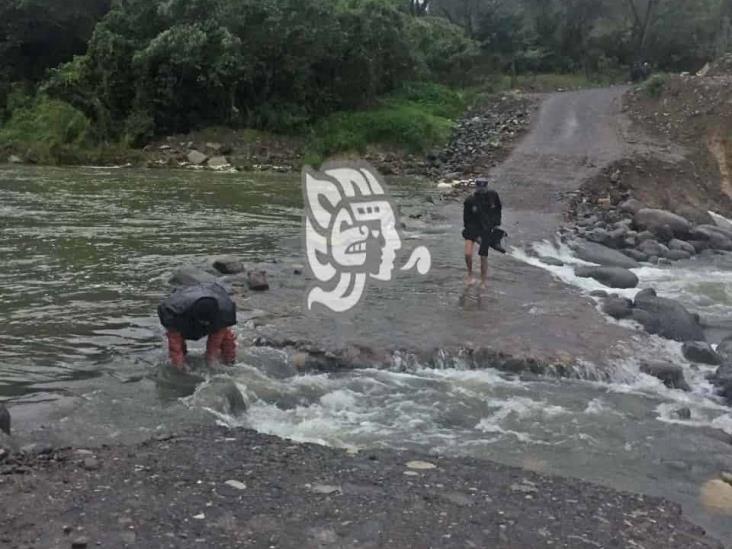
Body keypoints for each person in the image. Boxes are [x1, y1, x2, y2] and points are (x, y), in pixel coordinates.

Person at [158, 282, 237, 371]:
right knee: (177, 347)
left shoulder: (224, 311)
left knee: (225, 340)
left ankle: (230, 362)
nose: (205, 325)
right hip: (184, 314)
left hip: (215, 310)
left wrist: (212, 359)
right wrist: (179, 368)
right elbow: (175, 345)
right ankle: (180, 368)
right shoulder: (172, 312)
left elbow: (216, 339)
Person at [462, 178, 504, 287]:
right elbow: (466, 219)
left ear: (486, 187)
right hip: (472, 228)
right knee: (468, 253)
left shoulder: (493, 196)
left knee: (483, 256)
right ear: (476, 187)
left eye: (483, 187)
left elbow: (498, 209)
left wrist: (496, 224)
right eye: (479, 188)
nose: (481, 190)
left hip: (487, 228)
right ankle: (470, 274)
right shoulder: (470, 200)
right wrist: (474, 236)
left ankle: (483, 281)